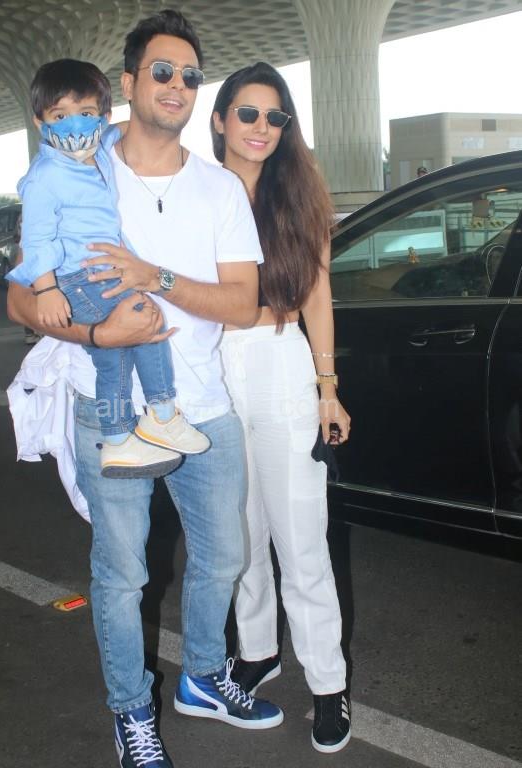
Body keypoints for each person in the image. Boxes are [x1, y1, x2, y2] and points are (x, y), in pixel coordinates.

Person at [7, 11, 283, 768]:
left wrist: (153, 278)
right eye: (162, 71)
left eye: (190, 76)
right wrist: (100, 336)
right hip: (110, 409)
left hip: (204, 407)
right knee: (122, 574)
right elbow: (23, 300)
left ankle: (202, 676)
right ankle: (132, 714)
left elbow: (241, 304)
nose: (177, 85)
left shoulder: (219, 187)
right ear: (127, 82)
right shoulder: (77, 168)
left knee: (223, 557)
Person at [210, 62, 352, 754]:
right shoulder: (195, 191)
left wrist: (327, 388)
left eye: (275, 116)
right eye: (247, 113)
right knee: (237, 535)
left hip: (280, 358)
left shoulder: (299, 193)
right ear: (219, 120)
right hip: (212, 367)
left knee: (300, 539)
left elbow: (318, 297)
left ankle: (328, 681)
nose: (261, 127)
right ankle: (258, 649)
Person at [7, 58, 209, 478]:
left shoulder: (96, 150)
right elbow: (36, 239)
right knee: (146, 324)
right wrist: (46, 290)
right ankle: (161, 413)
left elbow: (124, 128)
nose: (74, 125)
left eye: (86, 113)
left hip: (99, 270)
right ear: (39, 122)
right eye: (59, 116)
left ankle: (117, 439)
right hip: (78, 277)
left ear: (102, 116)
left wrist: (149, 109)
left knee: (114, 356)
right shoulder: (44, 176)